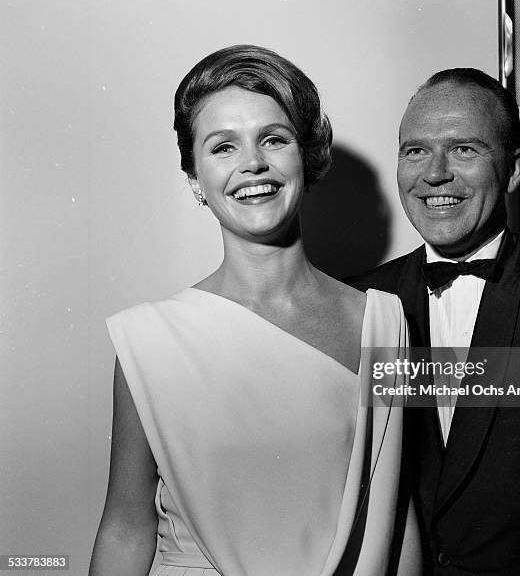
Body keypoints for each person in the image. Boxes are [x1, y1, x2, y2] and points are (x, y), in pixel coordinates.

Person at [89, 45, 421, 576]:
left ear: (307, 159)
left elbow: (394, 517)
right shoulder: (147, 341)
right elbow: (127, 526)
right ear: (195, 179)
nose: (252, 163)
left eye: (273, 139)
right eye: (223, 147)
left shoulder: (382, 321)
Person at [348, 68, 520, 575]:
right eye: (415, 150)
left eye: (464, 149)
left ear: (513, 170)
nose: (435, 173)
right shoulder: (364, 300)